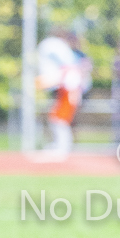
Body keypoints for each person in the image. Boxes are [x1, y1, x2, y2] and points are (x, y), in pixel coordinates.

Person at [36, 28, 84, 157]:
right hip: (66, 94)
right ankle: (61, 146)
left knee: (60, 120)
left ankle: (63, 147)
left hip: (69, 95)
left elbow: (67, 82)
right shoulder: (67, 66)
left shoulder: (68, 70)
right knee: (57, 119)